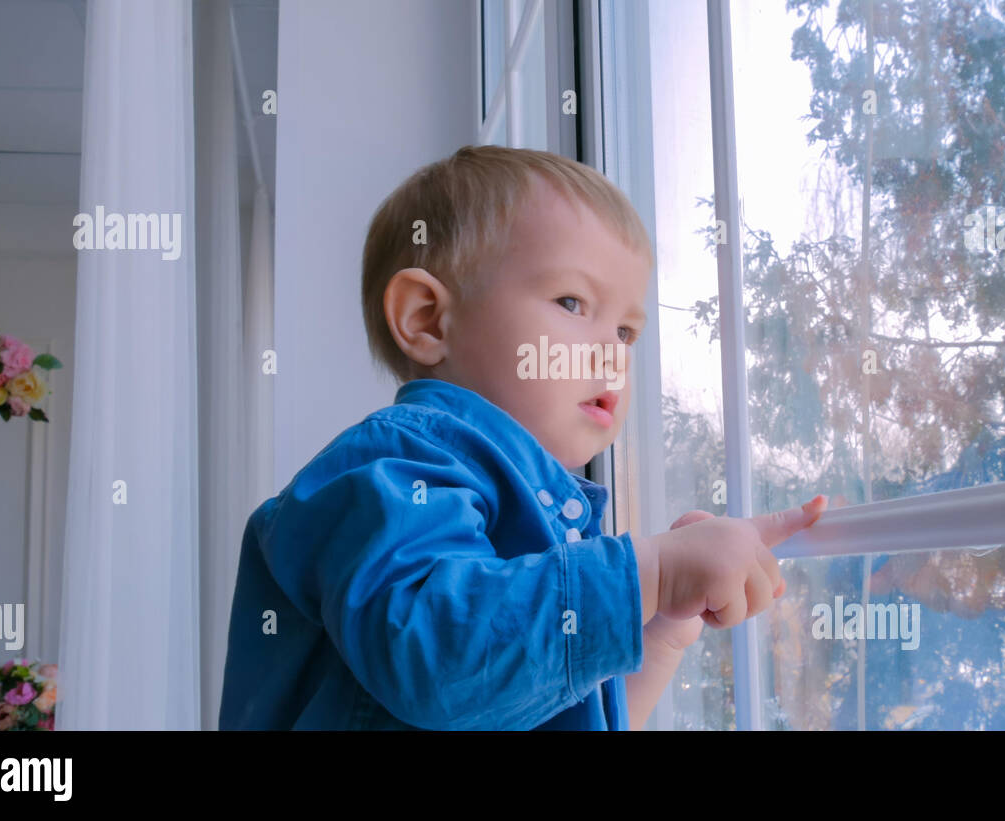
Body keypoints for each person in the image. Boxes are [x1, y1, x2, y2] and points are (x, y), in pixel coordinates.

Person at [219, 145, 827, 730]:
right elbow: (439, 664)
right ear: (427, 319)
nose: (611, 353)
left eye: (626, 331)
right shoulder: (393, 467)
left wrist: (665, 625)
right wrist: (655, 573)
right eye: (572, 301)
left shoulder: (547, 533)